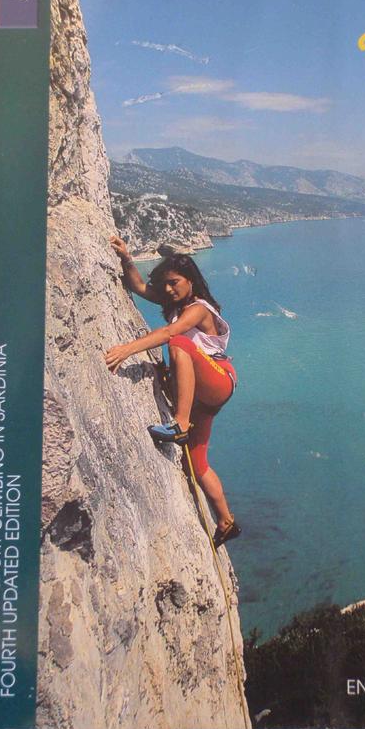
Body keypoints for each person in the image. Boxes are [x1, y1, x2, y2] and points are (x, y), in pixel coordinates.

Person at [105, 235, 241, 549]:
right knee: (196, 462)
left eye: (174, 282)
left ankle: (179, 423)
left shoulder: (199, 309)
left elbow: (170, 334)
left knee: (179, 342)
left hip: (219, 379)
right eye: (165, 284)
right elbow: (140, 287)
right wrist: (127, 258)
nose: (169, 289)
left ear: (190, 280)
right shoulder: (176, 305)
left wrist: (127, 349)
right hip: (203, 394)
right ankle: (226, 521)